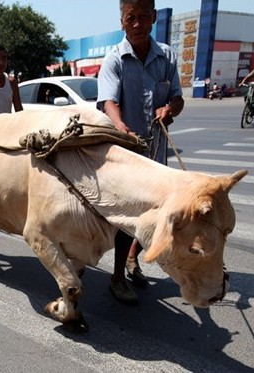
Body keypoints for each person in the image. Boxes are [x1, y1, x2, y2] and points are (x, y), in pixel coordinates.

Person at [97, 0, 185, 304]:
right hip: (127, 154)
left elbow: (177, 98)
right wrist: (120, 126)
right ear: (122, 21)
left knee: (153, 213)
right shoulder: (114, 59)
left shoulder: (168, 56)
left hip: (158, 154)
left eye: (143, 17)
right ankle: (117, 278)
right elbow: (108, 102)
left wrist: (169, 108)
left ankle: (133, 260)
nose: (137, 24)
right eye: (130, 18)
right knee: (130, 218)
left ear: (154, 18)